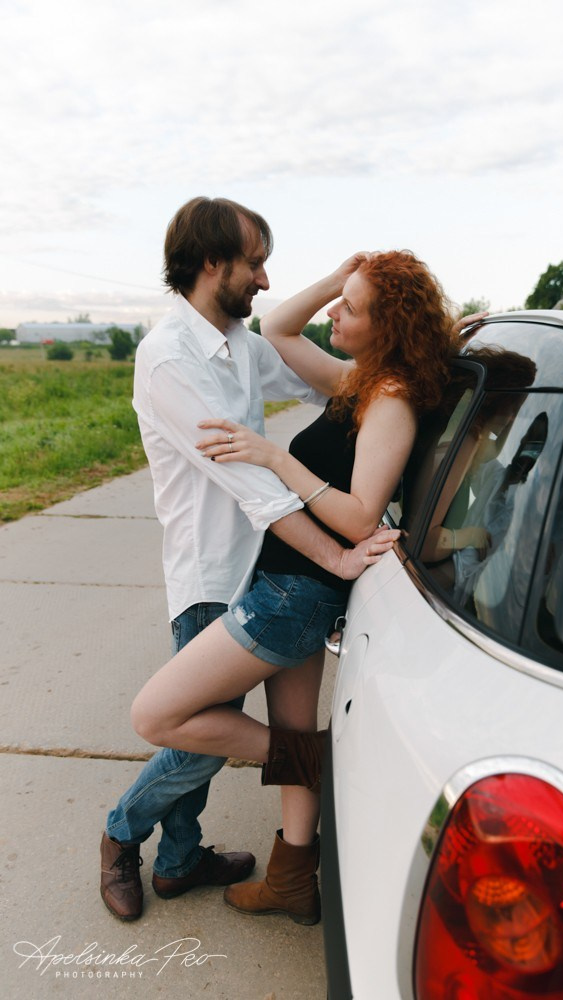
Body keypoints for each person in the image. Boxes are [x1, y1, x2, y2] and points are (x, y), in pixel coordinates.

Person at [130, 248, 465, 925]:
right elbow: (279, 328)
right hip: (293, 584)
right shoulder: (362, 383)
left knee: (155, 715)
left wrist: (275, 457)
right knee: (289, 727)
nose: (333, 311)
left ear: (386, 326)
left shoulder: (390, 401)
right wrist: (342, 276)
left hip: (294, 595)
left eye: (350, 307)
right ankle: (290, 880)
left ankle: (324, 758)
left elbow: (359, 514)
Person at [100, 196, 398, 922]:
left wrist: (408, 353)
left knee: (208, 731)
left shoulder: (239, 342)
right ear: (212, 263)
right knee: (201, 738)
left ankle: (180, 862)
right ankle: (120, 836)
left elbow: (321, 377)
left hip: (265, 562)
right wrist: (337, 555)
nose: (264, 279)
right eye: (255, 263)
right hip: (212, 568)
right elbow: (253, 486)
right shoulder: (169, 358)